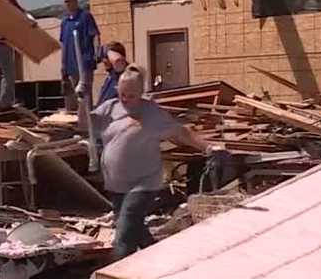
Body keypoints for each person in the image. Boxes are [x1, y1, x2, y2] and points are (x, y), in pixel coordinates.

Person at [91, 65, 225, 260]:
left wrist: (208, 147)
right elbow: (84, 123)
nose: (125, 99)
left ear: (141, 93)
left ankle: (115, 270)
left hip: (143, 181)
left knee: (125, 229)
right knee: (134, 225)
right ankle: (157, 257)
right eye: (121, 94)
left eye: (131, 95)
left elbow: (181, 132)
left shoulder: (152, 114)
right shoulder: (110, 108)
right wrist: (81, 99)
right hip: (117, 183)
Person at [59, 0, 100, 112]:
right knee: (72, 97)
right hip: (70, 65)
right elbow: (63, 43)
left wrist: (96, 53)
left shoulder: (85, 16)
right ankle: (75, 123)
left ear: (76, 1)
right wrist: (62, 64)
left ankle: (87, 124)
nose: (67, 4)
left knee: (84, 95)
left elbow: (95, 35)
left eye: (69, 1)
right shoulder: (65, 22)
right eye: (65, 2)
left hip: (84, 62)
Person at [96, 41, 128, 108]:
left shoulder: (124, 76)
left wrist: (107, 50)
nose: (103, 60)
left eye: (107, 57)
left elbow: (119, 61)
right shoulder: (110, 77)